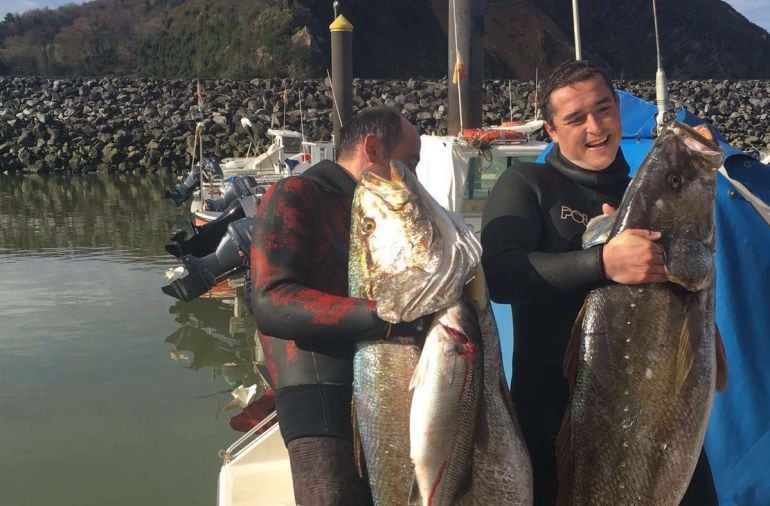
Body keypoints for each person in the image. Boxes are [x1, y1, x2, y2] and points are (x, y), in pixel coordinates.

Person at [480, 59, 718, 505]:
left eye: (604, 109)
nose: (596, 127)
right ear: (551, 130)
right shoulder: (526, 184)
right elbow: (503, 275)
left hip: (660, 411)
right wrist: (602, 262)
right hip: (557, 419)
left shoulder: (642, 194)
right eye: (575, 118)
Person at [249, 106, 424, 505]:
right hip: (318, 396)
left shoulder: (382, 211)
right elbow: (271, 301)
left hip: (384, 390)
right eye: (410, 163)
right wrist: (386, 317)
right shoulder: (298, 193)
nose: (414, 178)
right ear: (373, 149)